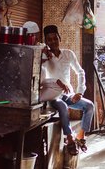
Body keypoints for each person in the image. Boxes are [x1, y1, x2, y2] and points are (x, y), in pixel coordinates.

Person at [40, 25, 94, 155]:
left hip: (67, 95)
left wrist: (79, 92)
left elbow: (80, 72)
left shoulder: (68, 54)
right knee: (63, 106)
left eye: (55, 38)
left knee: (89, 106)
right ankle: (70, 139)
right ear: (46, 41)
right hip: (53, 97)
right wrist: (56, 82)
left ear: (60, 38)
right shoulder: (44, 57)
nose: (53, 41)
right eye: (49, 39)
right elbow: (41, 80)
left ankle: (81, 137)